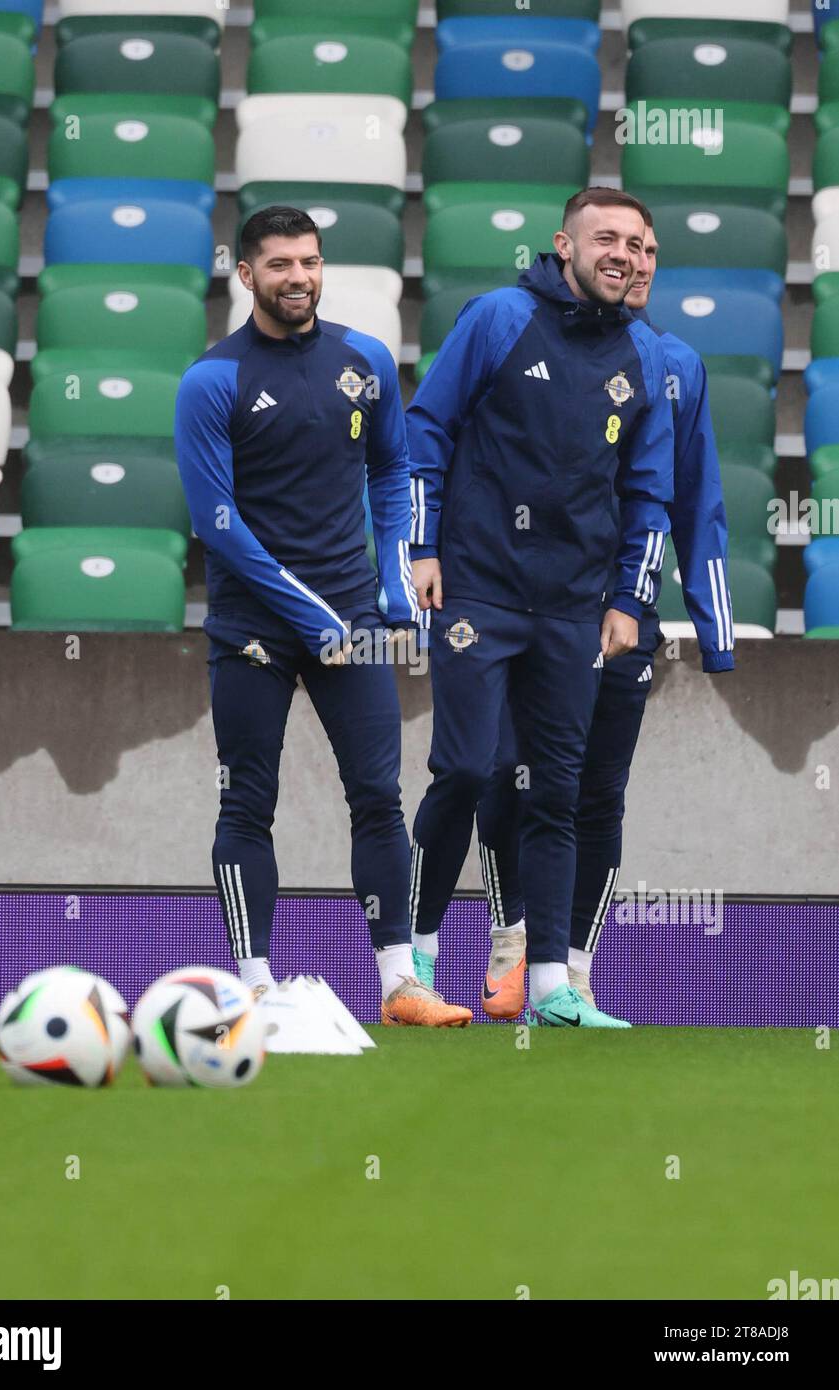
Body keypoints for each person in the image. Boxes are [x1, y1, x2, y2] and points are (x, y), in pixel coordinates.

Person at [174, 205, 471, 1026]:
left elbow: (389, 472)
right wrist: (310, 615)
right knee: (246, 804)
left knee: (377, 796)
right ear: (245, 275)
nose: (298, 277)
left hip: (355, 626)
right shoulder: (212, 381)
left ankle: (398, 984)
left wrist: (389, 582)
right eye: (279, 265)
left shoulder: (364, 360)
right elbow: (217, 524)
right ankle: (254, 983)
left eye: (309, 261)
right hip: (252, 632)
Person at [407, 188, 675, 1028]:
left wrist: (630, 598)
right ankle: (414, 958)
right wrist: (420, 547)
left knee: (556, 793)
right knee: (466, 768)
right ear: (564, 245)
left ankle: (553, 985)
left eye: (636, 243)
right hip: (477, 592)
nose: (623, 254)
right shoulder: (497, 318)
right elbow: (425, 429)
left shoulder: (645, 358)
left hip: (572, 611)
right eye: (605, 239)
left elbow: (650, 495)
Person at [466, 214, 735, 1017]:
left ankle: (575, 967)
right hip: (527, 598)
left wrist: (713, 633)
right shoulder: (522, 334)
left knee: (598, 792)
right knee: (505, 771)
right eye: (621, 249)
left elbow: (696, 502)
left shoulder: (675, 364)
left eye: (650, 251)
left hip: (623, 615)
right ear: (573, 251)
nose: (636, 262)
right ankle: (512, 937)